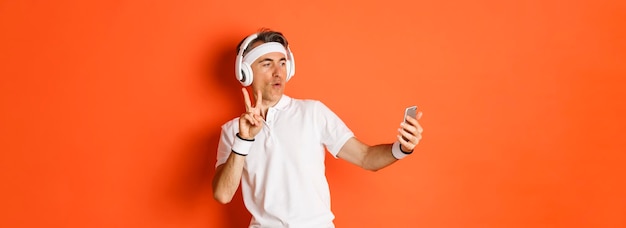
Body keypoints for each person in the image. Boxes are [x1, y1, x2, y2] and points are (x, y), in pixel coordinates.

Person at [212, 29, 423, 228]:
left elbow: (366, 157)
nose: (278, 72)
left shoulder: (312, 112)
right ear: (245, 73)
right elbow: (222, 194)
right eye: (267, 64)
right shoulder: (232, 131)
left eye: (283, 63)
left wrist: (401, 148)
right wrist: (244, 140)